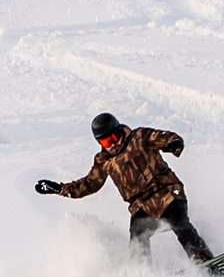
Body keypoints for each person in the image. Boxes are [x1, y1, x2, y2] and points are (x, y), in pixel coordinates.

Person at [35, 113, 214, 264]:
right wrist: (60, 188)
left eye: (113, 138)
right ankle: (141, 275)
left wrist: (173, 144)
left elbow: (166, 137)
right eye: (106, 142)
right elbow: (89, 184)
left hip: (167, 191)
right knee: (138, 234)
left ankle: (201, 258)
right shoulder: (103, 161)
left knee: (178, 220)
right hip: (142, 205)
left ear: (119, 130)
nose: (112, 144)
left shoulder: (139, 137)